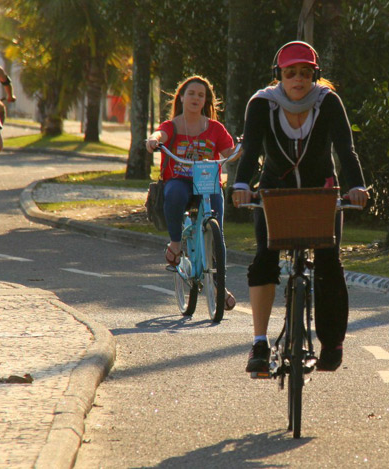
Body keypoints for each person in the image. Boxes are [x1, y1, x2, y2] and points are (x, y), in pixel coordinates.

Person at [232, 41, 369, 373]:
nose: (298, 79)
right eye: (290, 72)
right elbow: (250, 150)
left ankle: (332, 344)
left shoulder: (328, 102)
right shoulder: (262, 104)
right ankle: (260, 344)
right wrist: (240, 186)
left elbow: (345, 149)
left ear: (315, 75)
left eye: (305, 72)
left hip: (321, 193)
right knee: (265, 258)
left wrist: (357, 187)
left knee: (328, 262)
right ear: (279, 75)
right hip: (274, 193)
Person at [145, 75, 240, 311]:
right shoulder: (173, 125)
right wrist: (153, 140)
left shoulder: (215, 128)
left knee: (217, 230)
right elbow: (160, 135)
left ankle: (219, 284)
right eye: (191, 94)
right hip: (180, 181)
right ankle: (176, 244)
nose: (196, 98)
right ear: (182, 97)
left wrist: (240, 148)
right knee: (174, 193)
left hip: (207, 184)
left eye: (201, 95)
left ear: (206, 100)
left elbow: (229, 151)